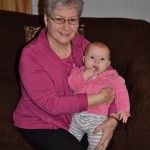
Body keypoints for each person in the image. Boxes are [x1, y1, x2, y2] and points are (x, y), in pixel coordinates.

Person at [13, 0, 118, 150]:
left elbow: (112, 79)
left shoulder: (81, 45)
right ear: (46, 19)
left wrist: (113, 117)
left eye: (72, 20)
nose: (67, 27)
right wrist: (99, 99)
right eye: (59, 19)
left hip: (76, 118)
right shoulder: (31, 56)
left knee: (104, 144)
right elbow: (52, 105)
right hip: (41, 121)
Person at [68, 42, 130, 150]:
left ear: (108, 63)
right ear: (84, 59)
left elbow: (122, 92)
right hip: (76, 117)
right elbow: (72, 85)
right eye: (92, 57)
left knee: (98, 146)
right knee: (68, 142)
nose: (96, 61)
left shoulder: (112, 77)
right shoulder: (78, 72)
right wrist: (85, 75)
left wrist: (123, 109)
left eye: (102, 59)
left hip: (97, 120)